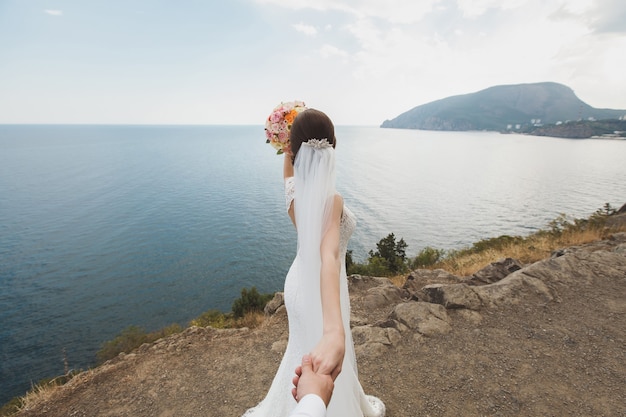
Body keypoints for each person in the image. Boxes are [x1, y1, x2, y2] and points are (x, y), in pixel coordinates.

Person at [243, 109, 385, 416]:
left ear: (293, 151)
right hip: (327, 286)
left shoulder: (294, 192)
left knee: (302, 352)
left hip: (298, 285)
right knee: (326, 356)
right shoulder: (332, 201)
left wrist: (286, 142)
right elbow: (329, 255)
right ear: (333, 146)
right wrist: (335, 330)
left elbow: (289, 171)